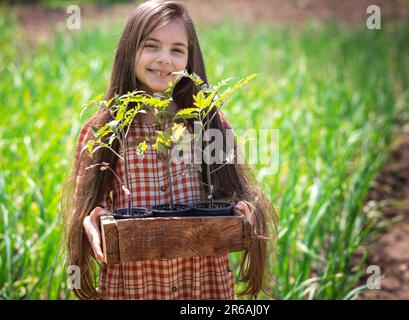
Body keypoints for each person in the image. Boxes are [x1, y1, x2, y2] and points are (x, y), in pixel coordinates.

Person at [61, 0, 277, 300]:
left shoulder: (206, 123)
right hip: (135, 286)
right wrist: (92, 217)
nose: (165, 59)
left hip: (202, 285)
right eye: (151, 46)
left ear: (190, 61)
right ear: (128, 50)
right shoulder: (103, 131)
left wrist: (241, 208)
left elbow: (232, 194)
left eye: (177, 50)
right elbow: (87, 210)